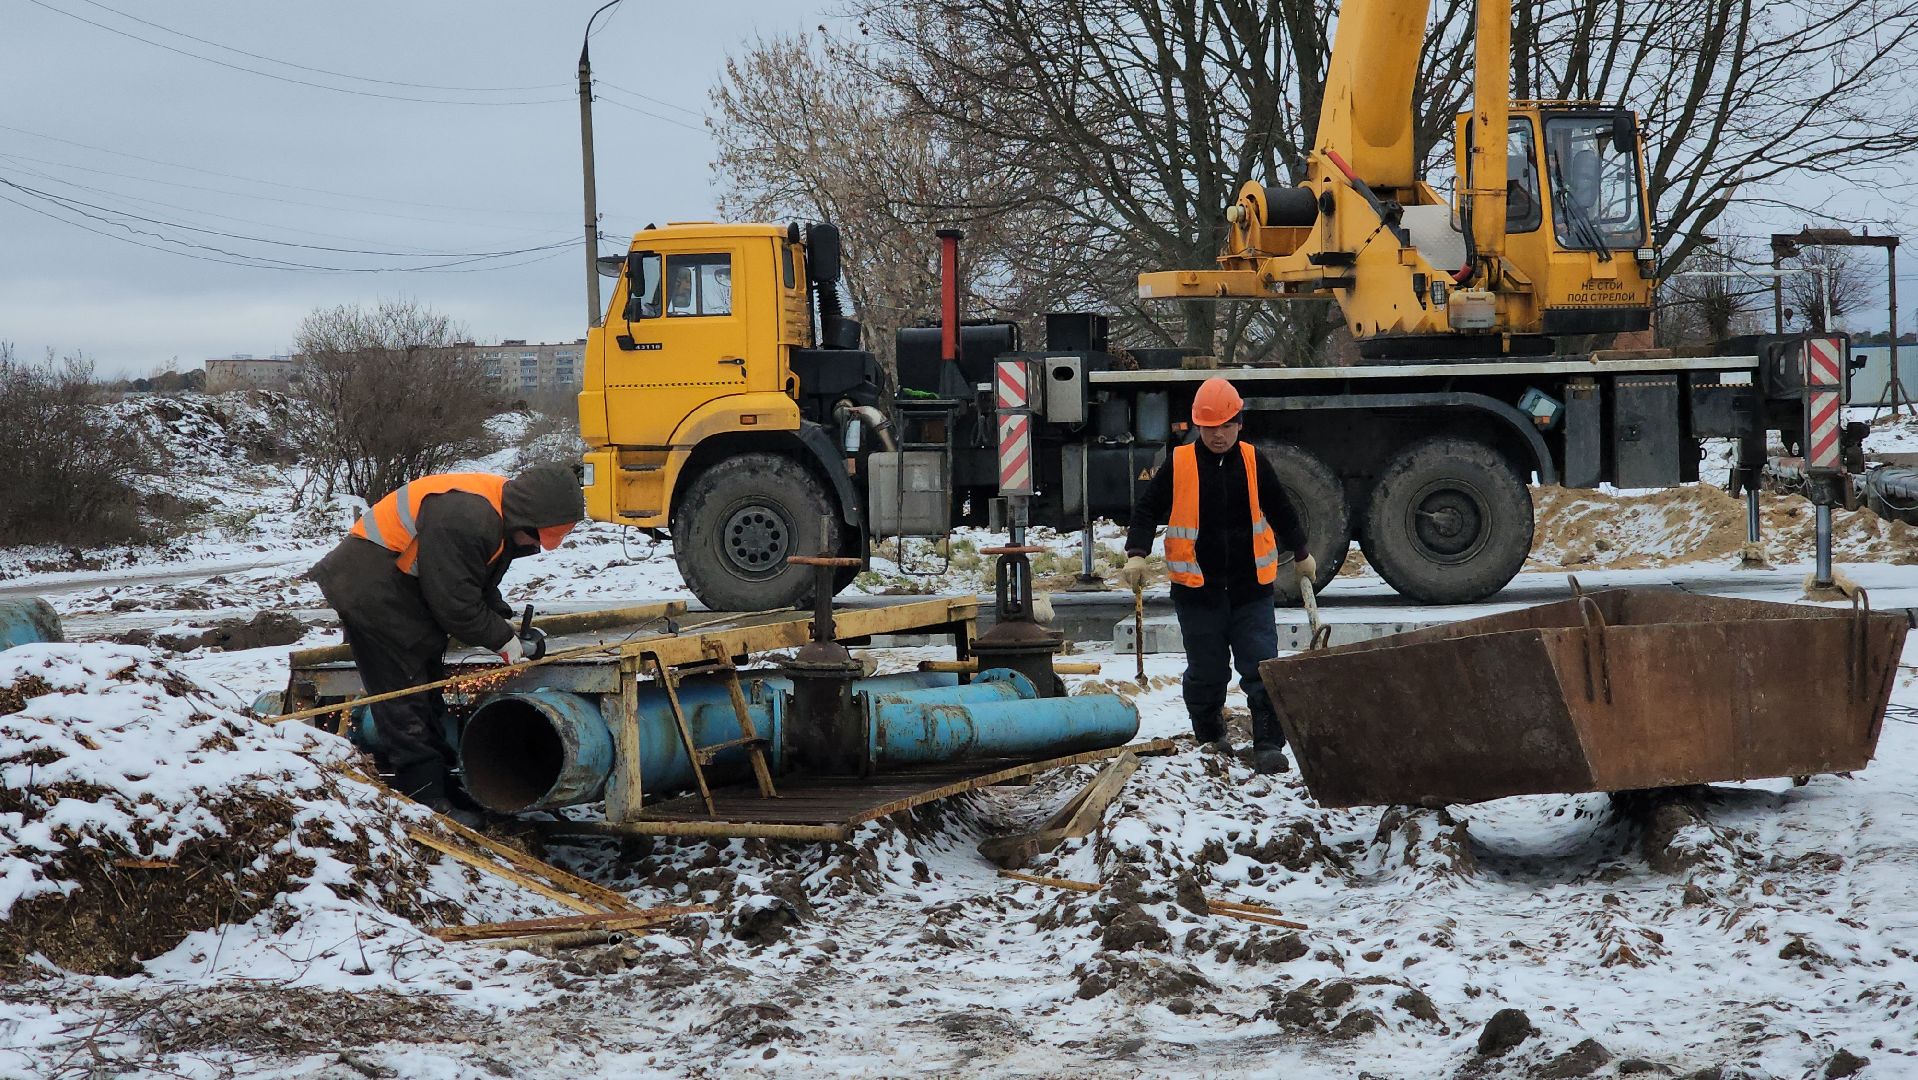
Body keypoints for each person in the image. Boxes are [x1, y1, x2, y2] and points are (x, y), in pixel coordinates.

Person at [310, 464, 585, 813]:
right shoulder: (467, 517)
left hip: (401, 588)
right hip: (371, 588)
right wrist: (501, 638)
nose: (537, 546)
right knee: (402, 693)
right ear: (530, 521)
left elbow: (471, 577)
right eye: (539, 537)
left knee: (426, 691)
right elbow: (454, 601)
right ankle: (423, 796)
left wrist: (497, 614)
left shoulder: (498, 514)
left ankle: (440, 782)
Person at [1120, 378, 1313, 774]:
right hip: (1197, 592)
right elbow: (1146, 510)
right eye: (1210, 428)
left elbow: (1281, 509)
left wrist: (1303, 554)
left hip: (1250, 590)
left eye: (1226, 426)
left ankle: (1267, 744)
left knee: (1261, 666)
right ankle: (1211, 737)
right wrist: (1137, 554)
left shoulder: (1254, 460)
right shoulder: (1180, 463)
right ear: (1198, 427)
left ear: (1239, 424)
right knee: (1207, 671)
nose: (1219, 435)